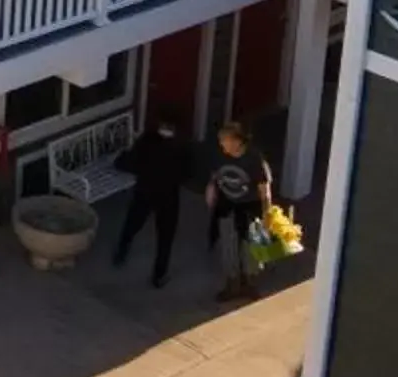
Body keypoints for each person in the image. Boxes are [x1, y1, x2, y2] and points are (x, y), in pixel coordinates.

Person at [107, 111, 191, 286]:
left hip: (145, 190)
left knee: (132, 223)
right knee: (165, 237)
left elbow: (129, 162)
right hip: (168, 195)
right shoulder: (181, 147)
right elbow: (188, 172)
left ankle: (121, 253)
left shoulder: (147, 141)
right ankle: (159, 275)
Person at [204, 119, 276, 303]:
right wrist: (211, 190)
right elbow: (215, 175)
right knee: (228, 246)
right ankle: (232, 284)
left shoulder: (254, 159)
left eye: (225, 140)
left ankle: (249, 284)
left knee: (251, 248)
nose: (221, 144)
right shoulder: (219, 156)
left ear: (237, 141)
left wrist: (267, 214)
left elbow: (264, 190)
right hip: (228, 205)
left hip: (250, 208)